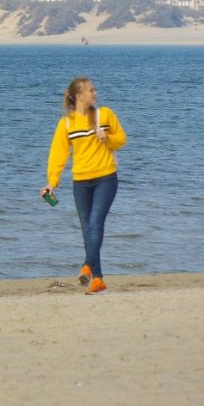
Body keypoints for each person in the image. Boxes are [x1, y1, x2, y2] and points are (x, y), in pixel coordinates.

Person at [40, 77, 126, 295]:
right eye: (90, 90)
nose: (95, 93)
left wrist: (107, 138)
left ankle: (88, 266)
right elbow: (58, 155)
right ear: (79, 96)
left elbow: (122, 139)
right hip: (80, 182)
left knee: (95, 224)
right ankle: (97, 279)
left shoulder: (104, 114)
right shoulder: (66, 124)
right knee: (87, 230)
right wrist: (52, 183)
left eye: (94, 89)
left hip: (106, 178)